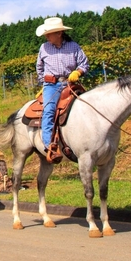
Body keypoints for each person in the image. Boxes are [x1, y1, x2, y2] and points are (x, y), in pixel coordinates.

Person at [36, 17, 89, 163]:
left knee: (86, 107)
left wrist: (78, 72)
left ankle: (85, 140)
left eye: (49, 33)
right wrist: (43, 83)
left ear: (59, 33)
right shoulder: (44, 48)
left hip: (70, 84)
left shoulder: (73, 46)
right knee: (49, 110)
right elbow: (39, 68)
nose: (47, 36)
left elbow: (84, 63)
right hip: (51, 85)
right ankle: (49, 146)